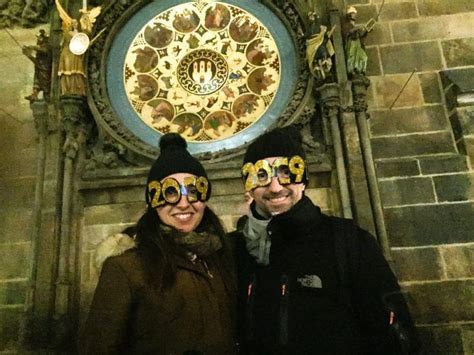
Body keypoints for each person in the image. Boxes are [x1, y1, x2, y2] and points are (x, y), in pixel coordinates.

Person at [231, 126, 421, 354]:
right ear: (248, 185)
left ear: (303, 179)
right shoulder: (235, 249)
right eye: (261, 175)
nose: (275, 186)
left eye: (287, 172)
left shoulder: (348, 241)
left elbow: (392, 331)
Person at [81, 133, 237, 354]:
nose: (184, 203)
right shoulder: (125, 269)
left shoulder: (218, 257)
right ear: (153, 202)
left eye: (193, 191)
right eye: (170, 192)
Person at [22, 29, 52, 101]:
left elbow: (43, 50)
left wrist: (32, 47)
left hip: (45, 69)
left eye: (40, 38)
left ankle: (47, 98)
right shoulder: (40, 47)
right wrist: (29, 55)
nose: (38, 39)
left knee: (45, 84)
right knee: (36, 82)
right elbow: (37, 61)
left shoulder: (47, 46)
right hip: (39, 68)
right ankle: (34, 95)